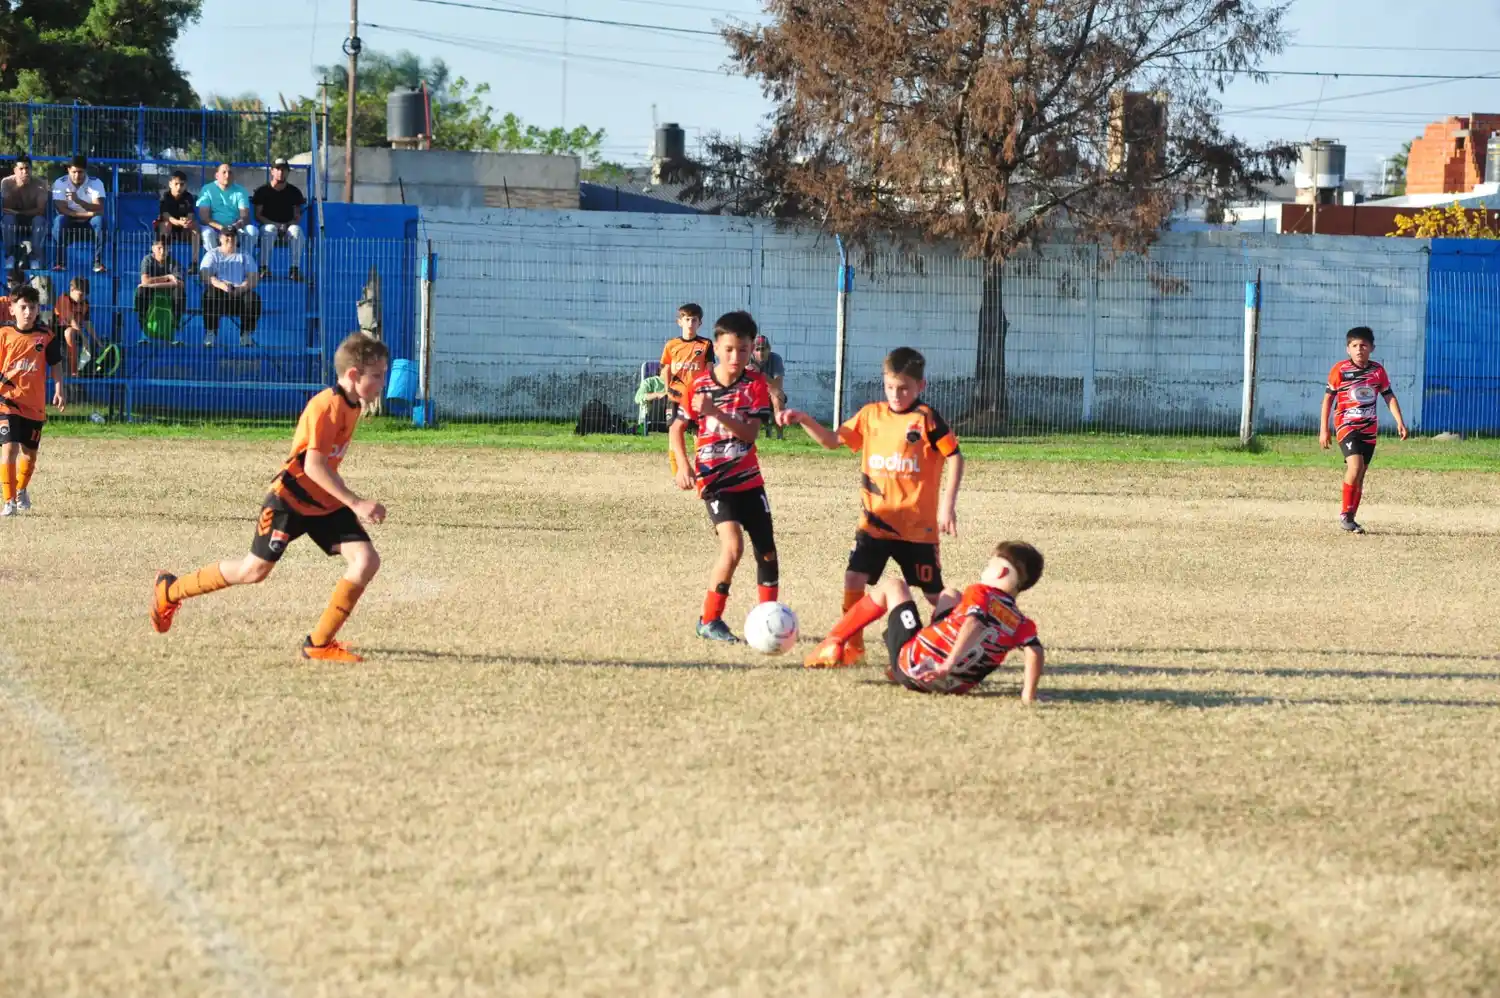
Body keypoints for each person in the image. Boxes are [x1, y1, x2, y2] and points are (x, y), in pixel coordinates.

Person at [149, 332, 390, 662]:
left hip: (323, 505)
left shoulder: (353, 405)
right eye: (377, 375)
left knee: (366, 561)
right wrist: (356, 502)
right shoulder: (325, 407)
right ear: (352, 375)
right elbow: (315, 467)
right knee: (253, 571)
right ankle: (170, 590)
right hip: (288, 501)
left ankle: (318, 644)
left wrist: (345, 501)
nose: (382, 383)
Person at [780, 346, 964, 667]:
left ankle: (951, 642)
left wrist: (948, 506)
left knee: (935, 595)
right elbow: (832, 441)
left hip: (917, 532)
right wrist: (805, 419)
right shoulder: (870, 416)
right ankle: (853, 648)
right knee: (853, 579)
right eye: (890, 386)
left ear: (921, 386)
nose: (896, 394)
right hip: (874, 524)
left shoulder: (927, 420)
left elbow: (955, 457)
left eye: (904, 388)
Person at [804, 541, 1046, 701]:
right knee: (950, 595)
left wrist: (947, 665)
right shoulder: (1021, 622)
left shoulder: (980, 593)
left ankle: (833, 642)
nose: (985, 570)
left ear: (1001, 572)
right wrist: (1027, 696)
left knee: (894, 586)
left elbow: (974, 623)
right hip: (955, 687)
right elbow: (1035, 651)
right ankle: (922, 660)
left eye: (989, 565)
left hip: (915, 669)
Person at [668, 310, 778, 643]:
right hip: (715, 481)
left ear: (751, 349)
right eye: (729, 349)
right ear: (716, 347)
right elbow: (676, 430)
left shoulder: (755, 385)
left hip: (749, 479)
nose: (735, 357)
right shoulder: (697, 384)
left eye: (743, 350)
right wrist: (682, 466)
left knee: (767, 552)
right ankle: (709, 619)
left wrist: (716, 413)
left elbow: (750, 434)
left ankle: (768, 619)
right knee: (733, 548)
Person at [1319, 326, 1408, 534]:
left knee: (1361, 474)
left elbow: (1388, 396)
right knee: (1355, 467)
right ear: (1347, 349)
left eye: (1364, 345)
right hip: (1346, 425)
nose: (1359, 349)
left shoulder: (1377, 371)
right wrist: (1324, 429)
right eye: (1355, 346)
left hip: (1369, 428)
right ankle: (1346, 516)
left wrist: (1400, 422)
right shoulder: (1340, 370)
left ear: (1372, 348)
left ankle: (1351, 517)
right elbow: (1327, 400)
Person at [0, 286, 66, 516]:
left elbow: (55, 363)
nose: (28, 312)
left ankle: (21, 490)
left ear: (38, 310)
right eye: (23, 307)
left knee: (30, 453)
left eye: (33, 307)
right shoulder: (4, 334)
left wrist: (59, 388)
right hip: (7, 401)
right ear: (12, 309)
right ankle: (8, 501)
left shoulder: (46, 335)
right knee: (9, 448)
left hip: (34, 404)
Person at [653, 303, 713, 475]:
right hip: (676, 396)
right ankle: (677, 470)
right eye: (687, 319)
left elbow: (709, 369)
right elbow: (665, 369)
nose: (690, 323)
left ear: (699, 323)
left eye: (694, 320)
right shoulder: (671, 345)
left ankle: (701, 470)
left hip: (696, 397)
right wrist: (667, 388)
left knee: (698, 433)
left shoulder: (705, 344)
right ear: (679, 322)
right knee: (674, 431)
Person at [199, 227, 261, 348]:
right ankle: (210, 333)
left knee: (253, 298)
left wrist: (242, 287)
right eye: (227, 235)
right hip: (220, 295)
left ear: (236, 238)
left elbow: (254, 277)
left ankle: (246, 335)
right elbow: (204, 275)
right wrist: (221, 284)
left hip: (239, 295)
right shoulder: (212, 254)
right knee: (210, 294)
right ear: (220, 238)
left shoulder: (245, 255)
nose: (230, 238)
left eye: (232, 235)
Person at [252, 157, 307, 282]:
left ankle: (295, 269)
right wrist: (276, 225)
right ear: (272, 171)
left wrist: (287, 225)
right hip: (268, 226)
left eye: (284, 170)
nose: (281, 172)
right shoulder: (262, 191)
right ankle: (263, 268)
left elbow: (297, 216)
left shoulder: (294, 192)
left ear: (288, 172)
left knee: (297, 231)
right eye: (278, 169)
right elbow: (258, 215)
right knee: (269, 230)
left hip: (287, 227)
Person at [50, 155, 106, 273]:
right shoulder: (60, 183)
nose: (77, 175)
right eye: (74, 172)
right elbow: (61, 209)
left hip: (89, 221)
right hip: (69, 218)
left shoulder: (96, 183)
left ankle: (98, 263)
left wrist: (78, 201)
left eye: (80, 172)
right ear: (68, 170)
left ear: (85, 171)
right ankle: (60, 263)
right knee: (59, 221)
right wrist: (86, 213)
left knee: (99, 221)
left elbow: (99, 208)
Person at [2, 155, 49, 270]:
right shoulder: (7, 182)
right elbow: (6, 208)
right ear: (15, 170)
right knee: (7, 219)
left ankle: (35, 258)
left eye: (27, 168)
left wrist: (18, 213)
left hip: (32, 219)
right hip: (14, 220)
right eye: (21, 169)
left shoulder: (40, 183)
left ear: (31, 169)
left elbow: (41, 210)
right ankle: (10, 256)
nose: (24, 172)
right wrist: (18, 187)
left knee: (39, 221)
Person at [136, 236, 186, 343]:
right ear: (153, 248)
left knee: (179, 292)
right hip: (152, 291)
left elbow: (180, 284)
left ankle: (175, 328)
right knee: (141, 292)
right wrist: (167, 277)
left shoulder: (174, 262)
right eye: (159, 248)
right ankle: (143, 331)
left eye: (166, 248)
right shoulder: (147, 259)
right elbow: (145, 281)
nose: (163, 251)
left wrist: (152, 284)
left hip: (168, 292)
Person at [196, 162, 256, 251]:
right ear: (217, 175)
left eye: (230, 172)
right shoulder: (207, 189)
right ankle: (215, 261)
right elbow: (204, 218)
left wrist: (234, 227)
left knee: (252, 230)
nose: (227, 175)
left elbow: (244, 216)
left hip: (235, 228)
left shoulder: (241, 191)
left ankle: (245, 261)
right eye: (224, 172)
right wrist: (222, 228)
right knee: (207, 233)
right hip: (214, 228)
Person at [54, 277, 99, 376]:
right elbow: (72, 321)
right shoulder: (63, 299)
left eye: (85, 295)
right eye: (81, 294)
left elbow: (87, 323)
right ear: (72, 289)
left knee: (92, 345)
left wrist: (98, 341)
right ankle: (73, 371)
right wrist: (84, 338)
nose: (83, 298)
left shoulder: (85, 303)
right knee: (69, 332)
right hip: (58, 332)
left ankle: (83, 371)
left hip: (76, 333)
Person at [747, 334, 786, 439]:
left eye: (763, 349)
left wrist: (761, 375)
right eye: (757, 349)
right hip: (752, 392)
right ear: (752, 350)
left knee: (778, 396)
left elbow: (778, 385)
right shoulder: (746, 359)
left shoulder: (775, 358)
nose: (761, 353)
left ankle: (780, 435)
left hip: (771, 391)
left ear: (769, 349)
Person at [156, 170, 201, 261]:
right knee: (166, 225)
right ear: (170, 184)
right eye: (176, 184)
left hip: (183, 229)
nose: (179, 187)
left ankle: (194, 262)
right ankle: (164, 259)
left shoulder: (188, 197)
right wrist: (179, 222)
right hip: (169, 228)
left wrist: (187, 221)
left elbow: (191, 214)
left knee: (195, 226)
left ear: (186, 185)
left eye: (182, 184)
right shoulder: (164, 196)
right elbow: (166, 216)